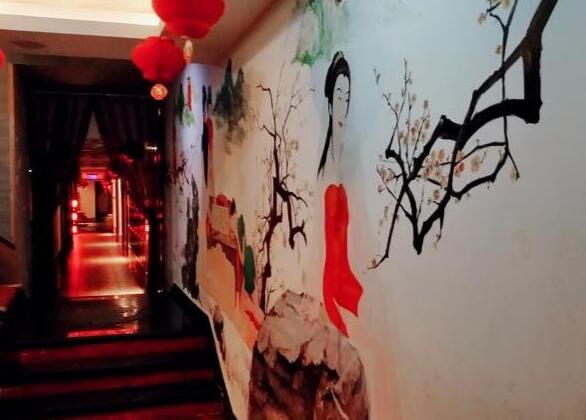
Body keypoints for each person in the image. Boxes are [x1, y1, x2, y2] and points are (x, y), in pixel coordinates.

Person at [319, 51, 363, 337]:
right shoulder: (325, 167)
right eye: (338, 96)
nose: (343, 105)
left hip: (344, 272)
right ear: (329, 103)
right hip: (330, 273)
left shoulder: (350, 160)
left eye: (347, 98)